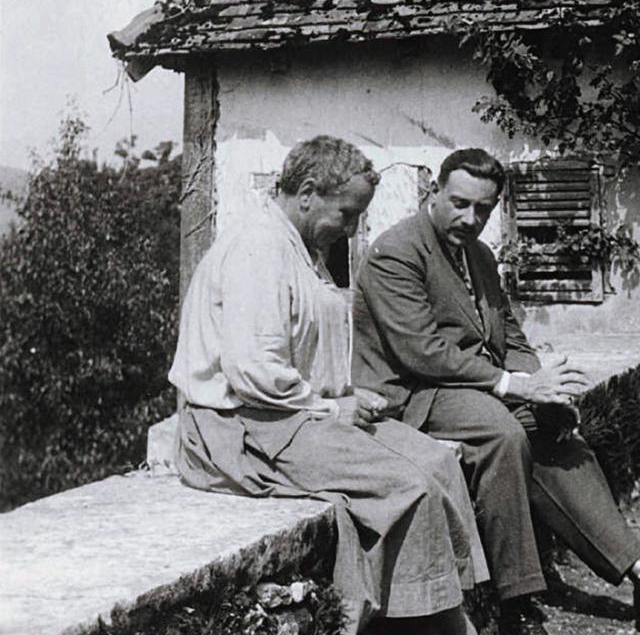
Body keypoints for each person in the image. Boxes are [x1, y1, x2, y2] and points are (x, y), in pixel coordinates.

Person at [352, 148, 640, 635]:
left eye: (483, 210)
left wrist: (543, 388)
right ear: (434, 192)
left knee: (554, 426)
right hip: (412, 397)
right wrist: (518, 386)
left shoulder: (479, 255)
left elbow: (509, 337)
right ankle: (518, 604)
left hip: (470, 388)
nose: (470, 218)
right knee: (503, 434)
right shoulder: (395, 252)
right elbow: (421, 353)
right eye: (459, 203)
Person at [169, 136, 487, 635]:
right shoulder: (258, 247)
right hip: (238, 428)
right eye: (347, 214)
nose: (353, 227)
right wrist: (329, 408)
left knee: (438, 462)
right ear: (308, 193)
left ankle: (449, 609)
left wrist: (340, 395)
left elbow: (301, 348)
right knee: (406, 487)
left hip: (285, 411)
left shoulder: (299, 244)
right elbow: (253, 370)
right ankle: (433, 626)